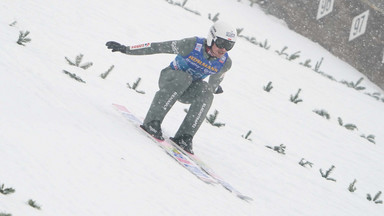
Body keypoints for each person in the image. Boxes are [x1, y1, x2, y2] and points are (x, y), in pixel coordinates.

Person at [106, 21, 237, 154]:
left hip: (188, 90)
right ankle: (152, 122)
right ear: (212, 38)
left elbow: (213, 84)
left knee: (206, 92)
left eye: (229, 46)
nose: (224, 49)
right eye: (221, 43)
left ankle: (185, 136)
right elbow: (159, 47)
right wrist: (127, 49)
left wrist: (214, 88)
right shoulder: (192, 45)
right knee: (185, 77)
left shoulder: (224, 63)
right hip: (170, 79)